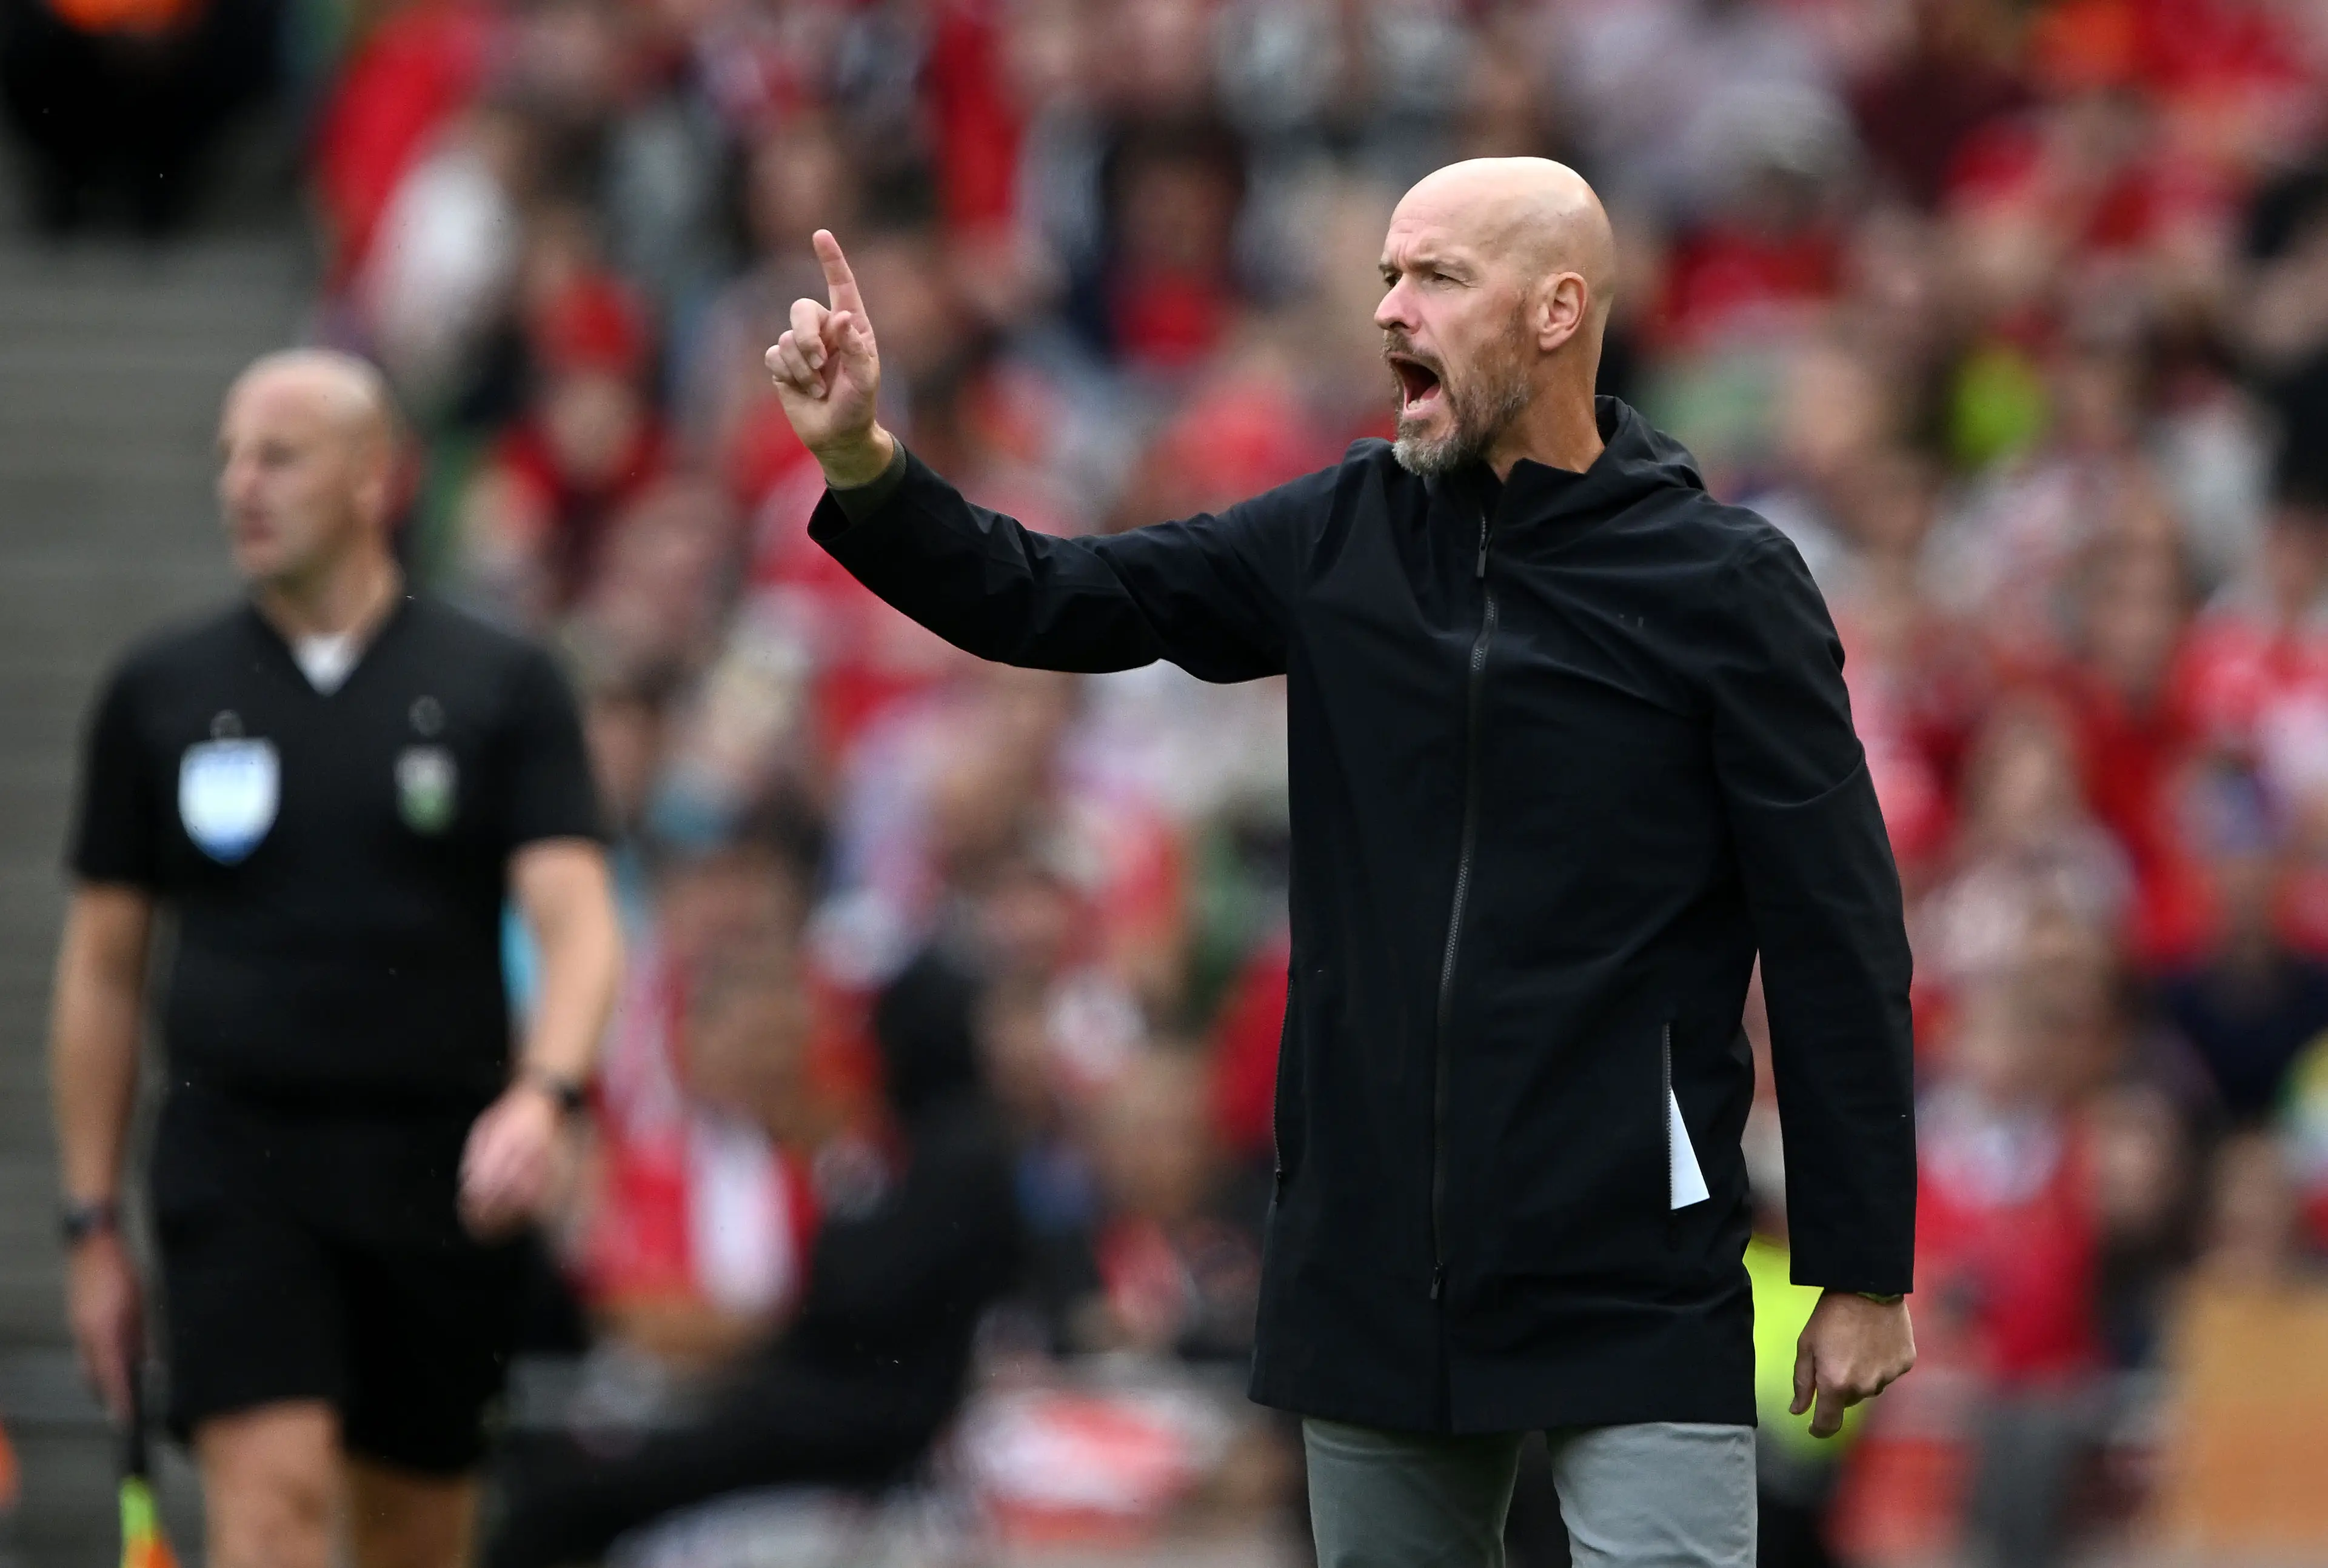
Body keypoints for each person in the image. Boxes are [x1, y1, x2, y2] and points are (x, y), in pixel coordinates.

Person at [766, 158, 1919, 1567]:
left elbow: (1835, 930)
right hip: (1372, 1256)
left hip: (1628, 1255)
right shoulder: (1331, 537)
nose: (1389, 310)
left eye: (1435, 276)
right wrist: (865, 466)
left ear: (1557, 310)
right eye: (1385, 274)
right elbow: (1053, 595)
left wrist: (1858, 1268)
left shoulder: (1724, 585)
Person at [50, 350, 621, 1568]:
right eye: (227, 460)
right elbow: (102, 970)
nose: (240, 487)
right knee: (273, 1504)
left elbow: (577, 919)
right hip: (237, 1162)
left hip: (441, 1169)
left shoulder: (500, 684)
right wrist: (91, 1219)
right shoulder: (162, 692)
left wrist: (548, 1091)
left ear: (379, 476)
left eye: (278, 456)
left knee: (417, 1533)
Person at [485, 957, 1020, 1568]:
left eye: (784, 1041)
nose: (767, 1062)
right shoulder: (648, 1164)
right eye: (748, 1040)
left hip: (806, 1469)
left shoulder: (850, 1169)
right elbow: (643, 1318)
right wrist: (795, 1329)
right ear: (692, 1042)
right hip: (662, 1430)